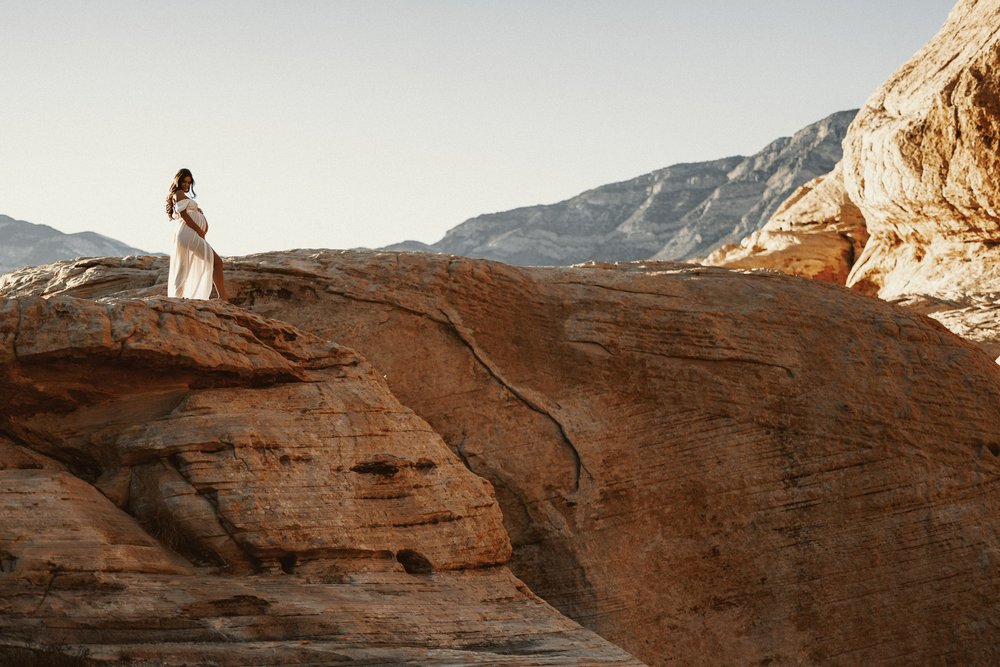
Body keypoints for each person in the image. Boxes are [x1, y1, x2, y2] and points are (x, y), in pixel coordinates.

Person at [165, 168, 227, 299]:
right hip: (190, 233)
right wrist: (199, 231)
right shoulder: (179, 193)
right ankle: (223, 298)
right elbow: (184, 215)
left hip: (190, 233)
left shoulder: (182, 195)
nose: (187, 185)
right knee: (217, 262)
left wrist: (199, 214)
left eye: (189, 182)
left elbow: (188, 213)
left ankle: (177, 298)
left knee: (183, 268)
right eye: (184, 182)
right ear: (178, 181)